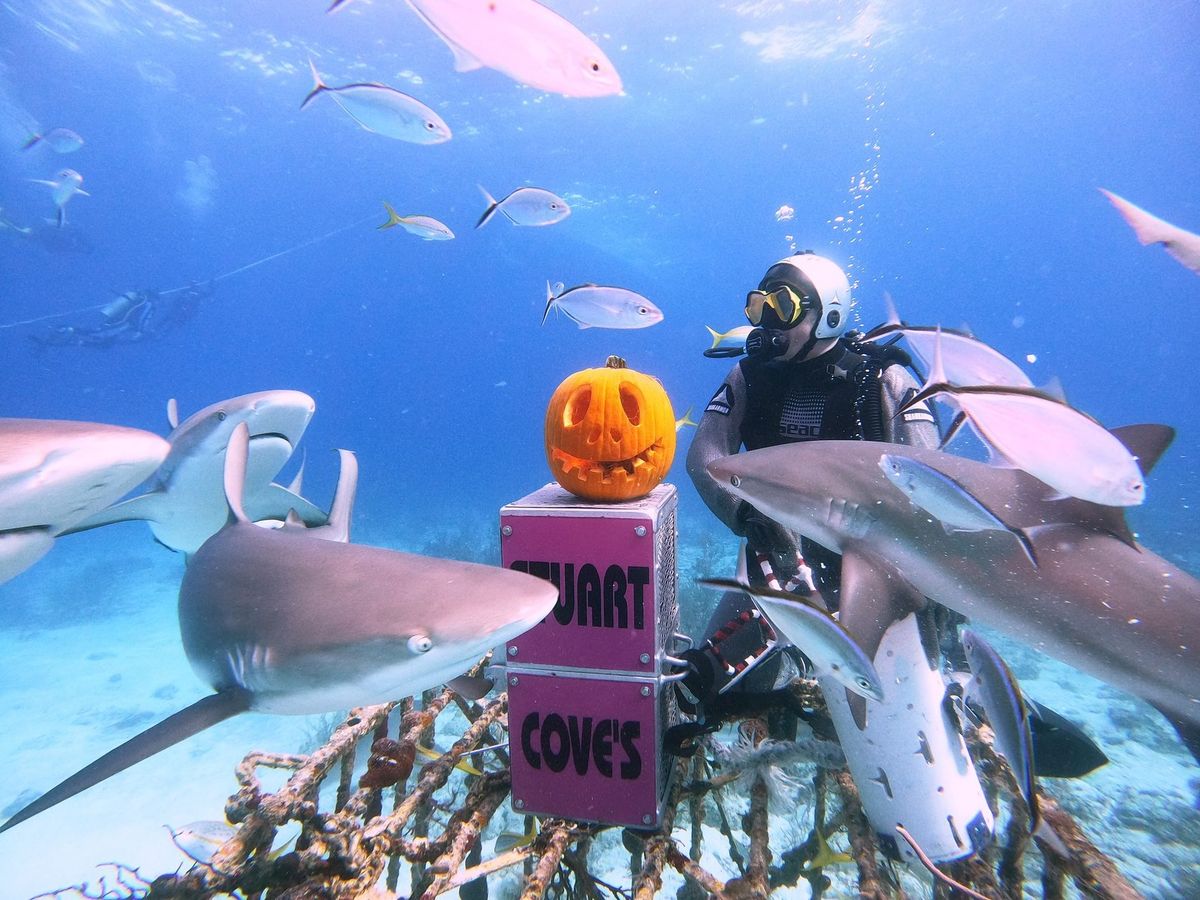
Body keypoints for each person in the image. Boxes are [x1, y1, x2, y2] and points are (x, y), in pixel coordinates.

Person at [683, 250, 954, 706]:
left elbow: (937, 484)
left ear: (828, 315)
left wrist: (939, 585)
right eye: (758, 306)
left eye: (783, 307)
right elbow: (704, 455)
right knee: (708, 688)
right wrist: (747, 514)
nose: (767, 321)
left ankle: (803, 670)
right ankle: (792, 680)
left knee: (913, 698)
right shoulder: (749, 376)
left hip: (876, 571)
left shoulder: (882, 378)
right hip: (774, 568)